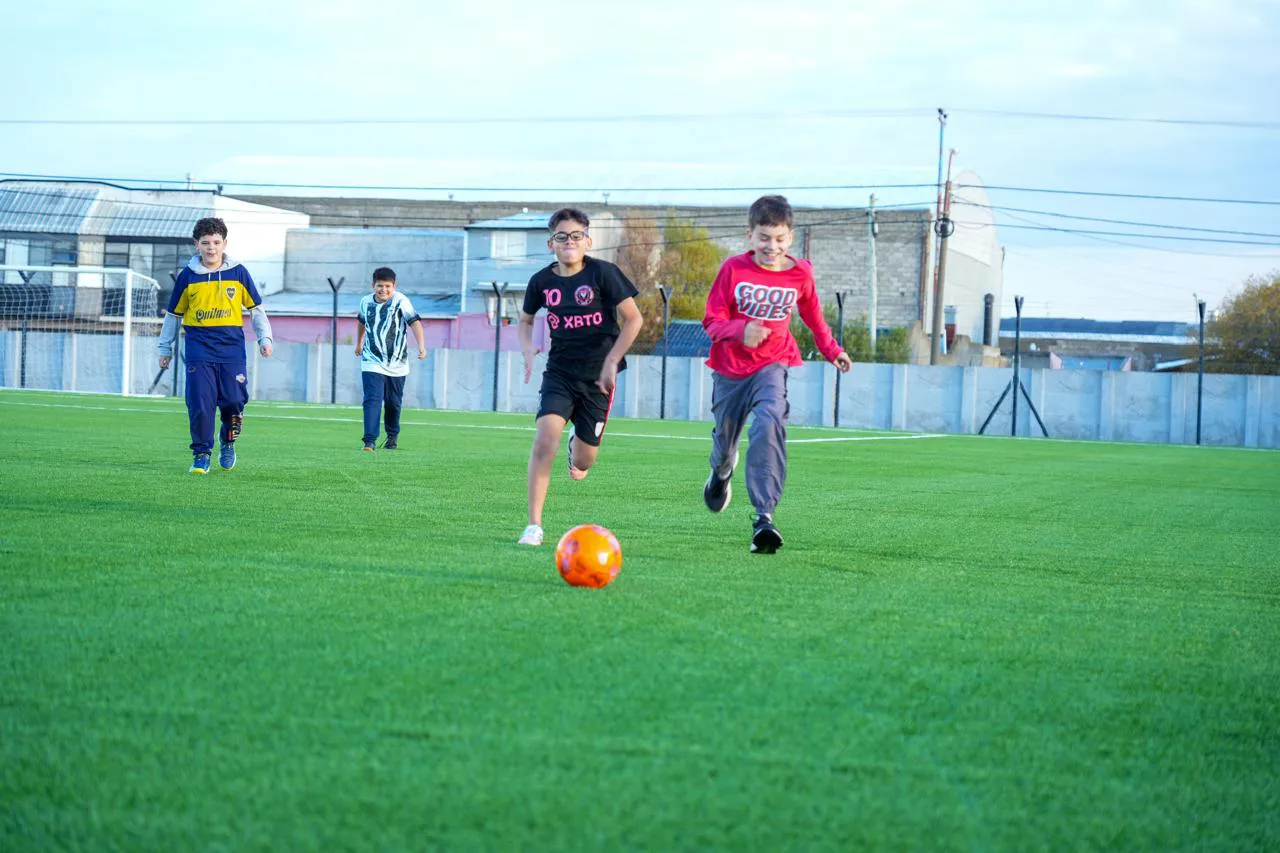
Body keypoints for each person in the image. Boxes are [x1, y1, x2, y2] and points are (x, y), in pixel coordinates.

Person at [701, 195, 852, 553]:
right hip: (729, 369)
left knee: (769, 422)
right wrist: (741, 331)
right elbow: (712, 320)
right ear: (749, 236)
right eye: (764, 238)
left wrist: (833, 350)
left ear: (791, 237)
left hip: (772, 364)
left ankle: (763, 517)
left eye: (780, 239)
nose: (772, 246)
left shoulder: (800, 273)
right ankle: (722, 473)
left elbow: (814, 317)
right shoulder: (733, 270)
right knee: (725, 444)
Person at [516, 208, 643, 546]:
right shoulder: (541, 282)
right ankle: (533, 525)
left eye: (575, 236)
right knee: (545, 440)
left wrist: (613, 360)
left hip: (598, 379)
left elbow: (634, 319)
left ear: (588, 240)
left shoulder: (605, 274)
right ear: (550, 243)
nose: (569, 241)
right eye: (561, 236)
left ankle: (578, 447)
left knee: (585, 461)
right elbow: (526, 320)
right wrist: (528, 349)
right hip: (559, 373)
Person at [157, 217, 273, 474]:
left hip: (232, 349)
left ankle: (228, 441)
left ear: (225, 243)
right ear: (196, 244)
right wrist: (165, 348)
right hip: (199, 349)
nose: (211, 248)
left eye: (216, 242)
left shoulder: (238, 272)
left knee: (234, 400)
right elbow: (174, 316)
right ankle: (201, 453)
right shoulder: (187, 276)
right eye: (206, 243)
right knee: (200, 402)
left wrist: (265, 338)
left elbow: (256, 310)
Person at [355, 267, 426, 451]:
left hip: (397, 362)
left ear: (394, 286)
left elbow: (415, 322)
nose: (383, 290)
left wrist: (421, 346)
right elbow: (362, 322)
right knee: (372, 398)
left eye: (388, 286)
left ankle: (392, 436)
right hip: (371, 359)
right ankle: (369, 441)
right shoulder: (365, 302)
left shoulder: (401, 301)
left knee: (393, 402)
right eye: (380, 286)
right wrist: (359, 342)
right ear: (373, 285)